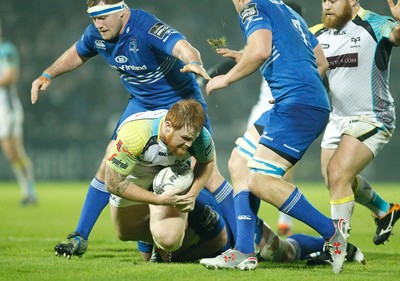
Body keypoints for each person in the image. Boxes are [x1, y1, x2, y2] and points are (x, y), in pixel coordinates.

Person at [31, 0, 236, 258]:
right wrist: (47, 75)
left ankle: (240, 241)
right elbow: (78, 52)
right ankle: (80, 236)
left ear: (121, 11)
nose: (98, 23)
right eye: (94, 17)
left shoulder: (146, 28)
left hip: (180, 106)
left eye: (103, 16)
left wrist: (194, 61)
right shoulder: (96, 33)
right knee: (110, 162)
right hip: (141, 107)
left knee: (206, 172)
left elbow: (184, 47)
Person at [199, 0, 350, 274]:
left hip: (297, 104)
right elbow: (320, 61)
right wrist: (296, 82)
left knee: (259, 179)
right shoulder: (287, 10)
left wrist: (226, 78)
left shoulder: (252, 7)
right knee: (239, 162)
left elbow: (260, 50)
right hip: (294, 101)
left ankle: (333, 232)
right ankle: (244, 251)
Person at [200, 1, 305, 237]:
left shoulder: (295, 39)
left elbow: (318, 66)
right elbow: (249, 54)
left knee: (273, 168)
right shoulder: (267, 31)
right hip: (264, 107)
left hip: (286, 106)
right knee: (242, 164)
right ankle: (248, 230)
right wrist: (212, 74)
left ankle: (281, 221)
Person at [311, 0, 400, 246]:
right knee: (334, 179)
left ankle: (337, 246)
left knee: (338, 173)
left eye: (333, 0)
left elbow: (397, 36)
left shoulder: (375, 23)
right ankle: (385, 210)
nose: (326, 5)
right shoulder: (318, 32)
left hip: (372, 116)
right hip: (337, 118)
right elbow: (287, 43)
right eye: (323, 0)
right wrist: (247, 54)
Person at [103, 99, 217, 259]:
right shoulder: (135, 133)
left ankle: (199, 229)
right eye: (184, 138)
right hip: (135, 177)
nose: (189, 144)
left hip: (173, 176)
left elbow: (208, 162)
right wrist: (157, 200)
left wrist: (193, 193)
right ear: (168, 126)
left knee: (170, 240)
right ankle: (160, 231)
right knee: (125, 233)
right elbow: (113, 182)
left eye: (193, 138)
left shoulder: (200, 137)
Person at [0, 20, 37, 206]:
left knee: (14, 151)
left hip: (7, 108)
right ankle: (26, 191)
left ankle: (29, 191)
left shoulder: (6, 50)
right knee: (10, 153)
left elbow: (9, 76)